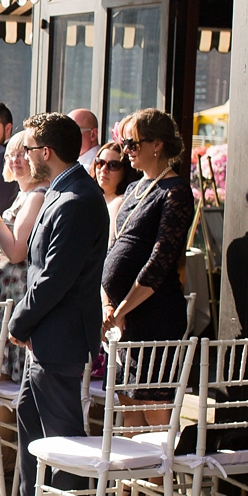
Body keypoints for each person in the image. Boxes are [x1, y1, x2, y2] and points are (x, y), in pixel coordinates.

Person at [0, 113, 109, 496]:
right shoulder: (60, 192)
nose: (23, 156)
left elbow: (54, 277)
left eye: (29, 149)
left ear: (47, 153)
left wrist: (19, 322)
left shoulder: (75, 199)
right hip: (48, 333)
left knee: (62, 433)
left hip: (59, 334)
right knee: (30, 416)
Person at [101, 108, 196, 428]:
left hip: (155, 315)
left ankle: (155, 480)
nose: (126, 150)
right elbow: (113, 249)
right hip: (124, 317)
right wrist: (107, 304)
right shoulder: (133, 188)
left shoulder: (177, 190)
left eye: (132, 144)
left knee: (153, 410)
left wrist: (123, 309)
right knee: (128, 409)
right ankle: (129, 480)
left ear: (157, 145)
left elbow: (161, 260)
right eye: (124, 143)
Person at [0, 131, 51, 383]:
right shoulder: (23, 194)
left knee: (7, 382)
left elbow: (16, 251)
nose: (14, 160)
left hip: (13, 296)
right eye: (10, 155)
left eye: (22, 154)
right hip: (0, 297)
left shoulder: (37, 196)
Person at [94, 141, 132, 225]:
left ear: (125, 171)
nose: (104, 169)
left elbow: (111, 238)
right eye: (100, 163)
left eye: (113, 165)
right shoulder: (95, 199)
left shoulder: (119, 202)